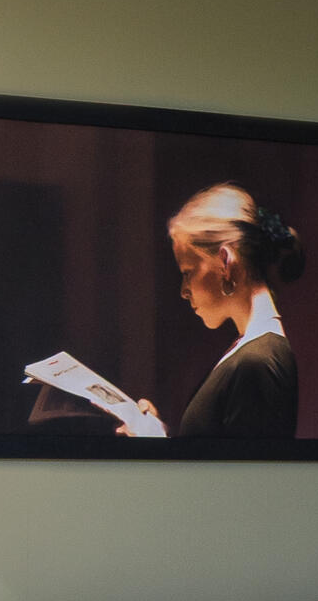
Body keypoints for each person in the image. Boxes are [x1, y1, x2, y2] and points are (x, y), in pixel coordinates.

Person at [119, 183, 303, 439]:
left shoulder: (257, 362)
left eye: (187, 272)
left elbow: (239, 478)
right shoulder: (250, 350)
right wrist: (159, 437)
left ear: (225, 262)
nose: (183, 291)